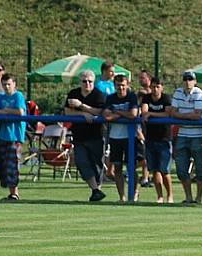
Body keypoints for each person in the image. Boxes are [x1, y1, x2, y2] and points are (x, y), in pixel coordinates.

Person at [64, 69, 106, 202]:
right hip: (79, 136)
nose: (87, 84)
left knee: (97, 164)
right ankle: (95, 190)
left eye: (90, 81)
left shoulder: (99, 95)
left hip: (96, 135)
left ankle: (97, 189)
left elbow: (100, 111)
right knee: (82, 162)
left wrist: (81, 106)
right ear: (80, 82)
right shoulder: (73, 93)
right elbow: (67, 112)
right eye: (84, 81)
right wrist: (82, 114)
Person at [171, 70, 202, 205]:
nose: (188, 82)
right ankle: (188, 197)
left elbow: (197, 115)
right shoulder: (178, 92)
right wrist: (188, 116)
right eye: (186, 79)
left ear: (195, 81)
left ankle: (198, 198)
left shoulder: (199, 93)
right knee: (181, 169)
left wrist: (181, 116)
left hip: (198, 135)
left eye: (190, 79)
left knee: (200, 168)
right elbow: (173, 112)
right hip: (182, 134)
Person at [0, 73, 27, 201]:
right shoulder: (0, 97)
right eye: (4, 84)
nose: (6, 87)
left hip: (15, 137)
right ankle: (11, 193)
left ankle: (15, 193)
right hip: (2, 136)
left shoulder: (18, 96)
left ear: (14, 84)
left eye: (9, 84)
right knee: (2, 166)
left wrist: (4, 111)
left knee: (13, 165)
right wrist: (8, 111)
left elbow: (20, 112)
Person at [102, 74, 139, 202]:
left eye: (123, 85)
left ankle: (134, 194)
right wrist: (124, 115)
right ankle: (122, 196)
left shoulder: (131, 96)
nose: (121, 88)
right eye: (118, 85)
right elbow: (106, 116)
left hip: (130, 137)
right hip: (115, 137)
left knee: (131, 167)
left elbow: (133, 114)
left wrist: (116, 113)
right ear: (114, 86)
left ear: (127, 85)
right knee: (117, 168)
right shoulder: (110, 98)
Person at [141, 77, 174, 204]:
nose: (155, 89)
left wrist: (151, 114)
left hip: (164, 138)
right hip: (150, 138)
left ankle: (169, 196)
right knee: (154, 170)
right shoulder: (147, 98)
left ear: (162, 87)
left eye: (157, 86)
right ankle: (159, 196)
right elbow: (144, 112)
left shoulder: (166, 98)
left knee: (165, 170)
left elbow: (168, 113)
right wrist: (147, 113)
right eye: (153, 86)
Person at [135, 69, 153, 187]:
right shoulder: (140, 95)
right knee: (143, 156)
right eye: (140, 78)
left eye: (143, 78)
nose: (141, 80)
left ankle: (145, 177)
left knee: (146, 156)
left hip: (151, 129)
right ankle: (144, 177)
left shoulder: (154, 94)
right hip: (141, 128)